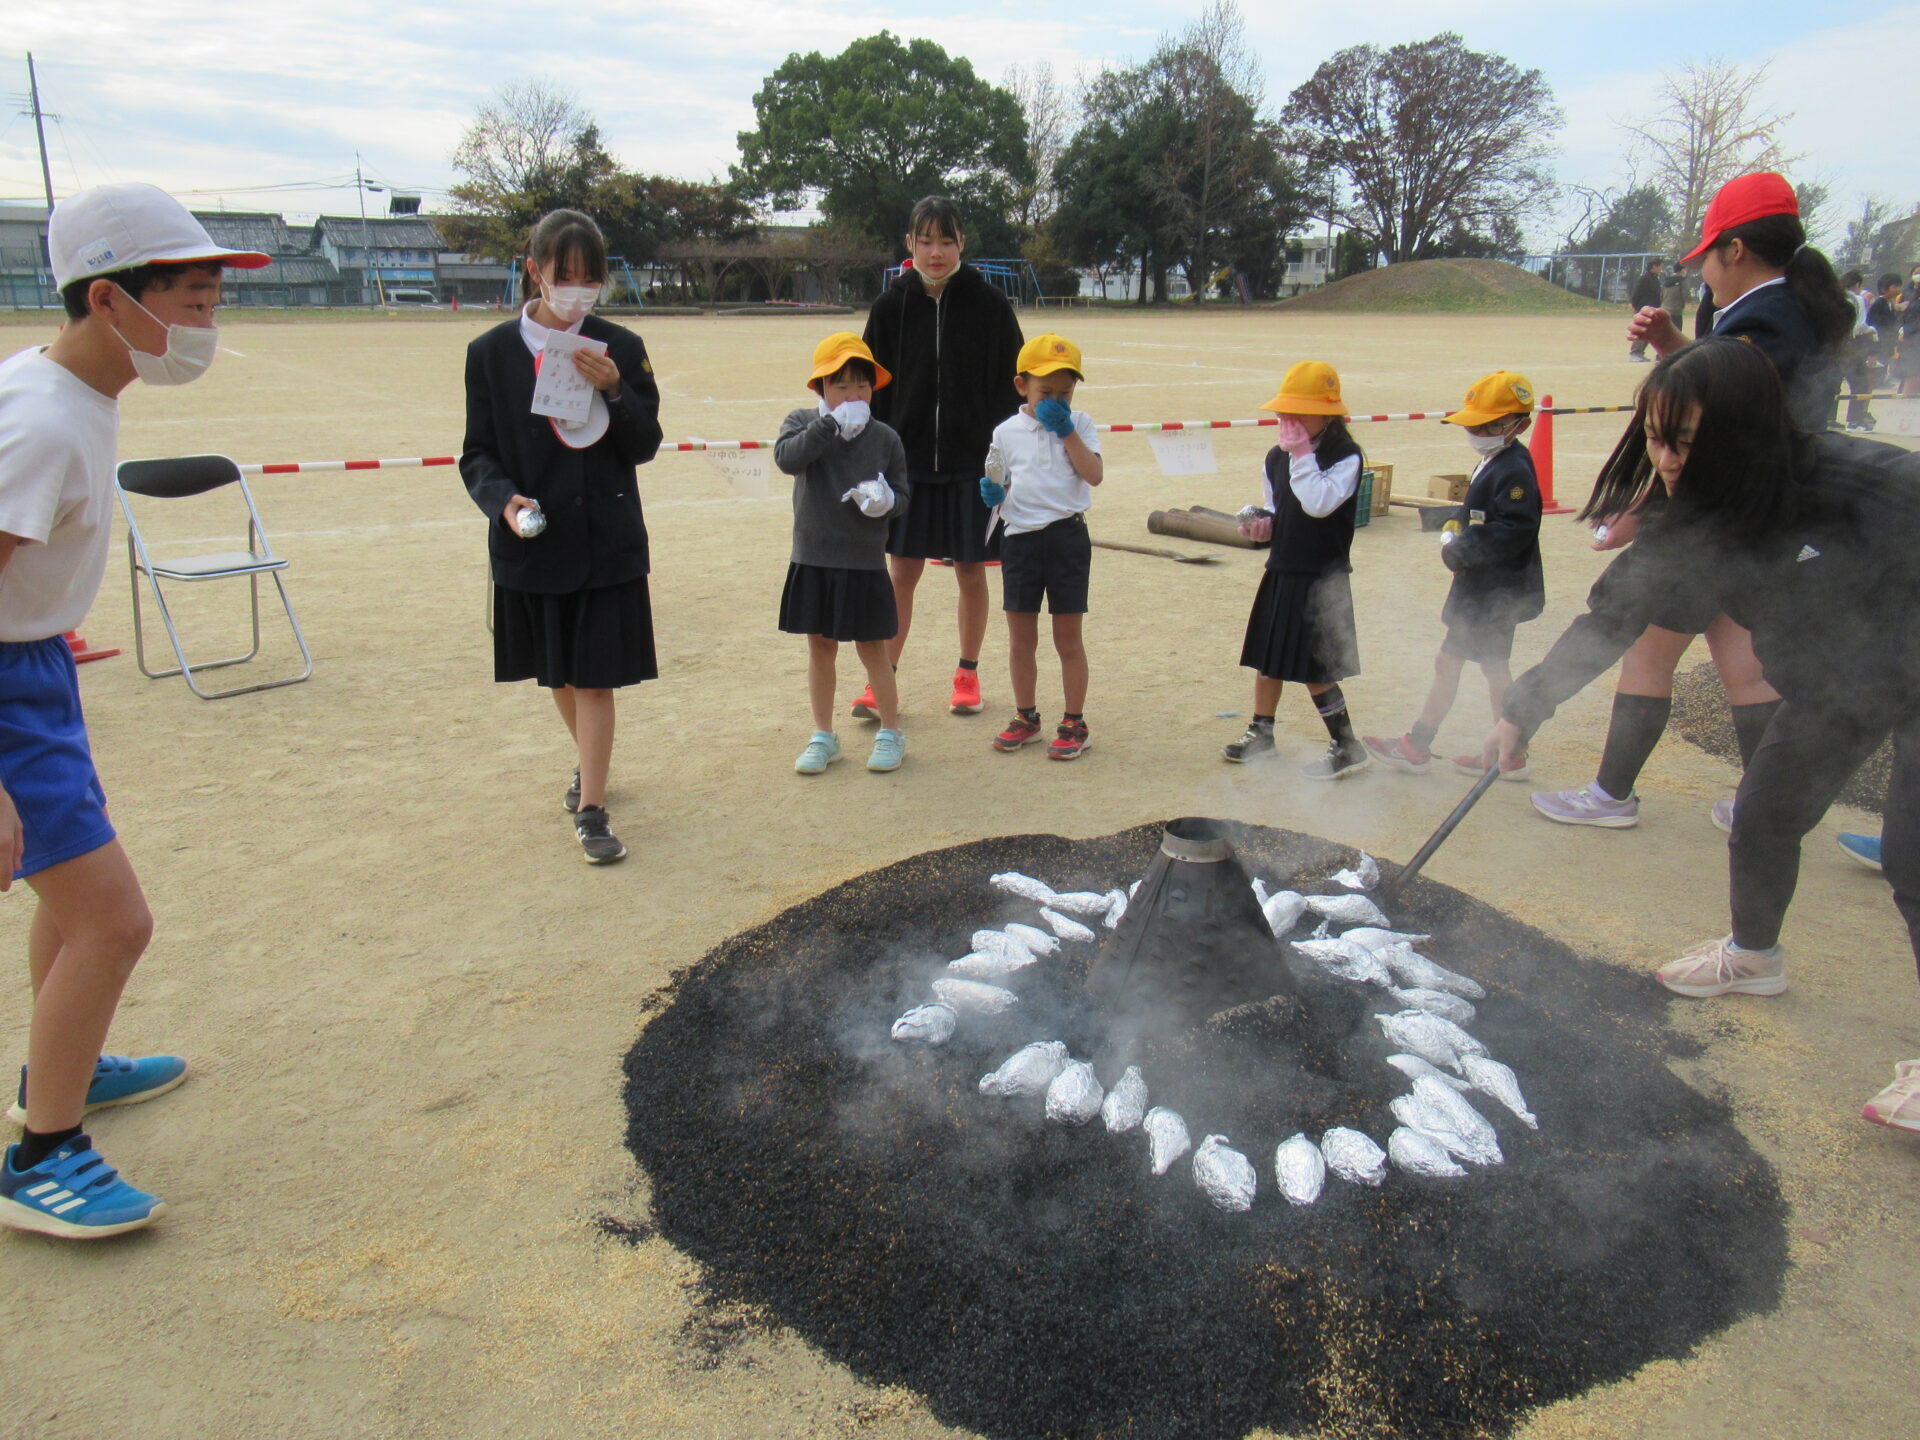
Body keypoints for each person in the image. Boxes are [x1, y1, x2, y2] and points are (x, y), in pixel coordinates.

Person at [1483, 338, 1920, 1132]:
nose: (1667, 459)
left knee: (1915, 855)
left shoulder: (1859, 480)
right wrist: (1525, 705)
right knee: (1765, 812)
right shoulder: (1699, 525)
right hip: (1841, 684)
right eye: (1655, 436)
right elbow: (1612, 617)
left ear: (1741, 432)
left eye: (1683, 440)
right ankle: (1754, 957)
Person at [0, 184, 271, 1238]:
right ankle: (43, 1156)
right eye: (192, 302)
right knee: (117, 922)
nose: (205, 326)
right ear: (109, 300)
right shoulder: (39, 423)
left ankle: (56, 1072)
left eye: (213, 303)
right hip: (9, 689)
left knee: (70, 912)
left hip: (36, 673)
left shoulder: (65, 389)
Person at [1532, 171, 1852, 831]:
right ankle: (1765, 804)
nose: (1702, 272)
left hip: (1719, 519)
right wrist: (1676, 348)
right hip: (1766, 519)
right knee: (1743, 660)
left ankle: (1610, 796)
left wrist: (1643, 508)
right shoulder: (1792, 310)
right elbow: (1742, 390)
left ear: (1734, 250)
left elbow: (1714, 432)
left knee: (1649, 648)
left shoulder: (1763, 318)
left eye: (1705, 256)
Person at [460, 209, 663, 864]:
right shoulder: (490, 353)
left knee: (596, 675)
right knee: (560, 673)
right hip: (534, 540)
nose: (577, 289)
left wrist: (618, 393)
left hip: (607, 537)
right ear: (534, 272)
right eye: (563, 274)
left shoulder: (621, 347)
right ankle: (590, 764)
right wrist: (503, 502)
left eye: (590, 277)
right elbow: (477, 454)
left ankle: (593, 806)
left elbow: (646, 444)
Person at [861, 196, 1024, 722]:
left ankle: (968, 672)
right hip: (904, 462)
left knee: (971, 570)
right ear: (909, 244)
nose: (936, 251)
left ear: (962, 243)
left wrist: (1003, 462)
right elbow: (869, 389)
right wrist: (871, 456)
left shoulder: (991, 305)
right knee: (900, 571)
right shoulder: (890, 307)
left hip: (971, 464)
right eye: (925, 240)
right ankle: (882, 679)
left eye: (946, 240)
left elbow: (1014, 385)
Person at [1364, 372, 1543, 778]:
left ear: (1520, 424)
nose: (1478, 431)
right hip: (1485, 589)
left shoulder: (1514, 469)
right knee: (1488, 665)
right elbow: (1482, 513)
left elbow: (1515, 529)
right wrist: (1450, 522)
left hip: (1490, 591)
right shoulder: (1498, 458)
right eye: (1474, 424)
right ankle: (1508, 752)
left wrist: (1460, 548)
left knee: (1456, 663)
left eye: (1490, 425)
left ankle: (1421, 744)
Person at [1221, 361, 1371, 779]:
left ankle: (1346, 744)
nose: (1290, 422)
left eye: (1301, 412)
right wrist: (1262, 527)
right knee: (1268, 659)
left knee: (1316, 669)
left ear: (1330, 414)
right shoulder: (1276, 457)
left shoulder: (1346, 457)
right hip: (1283, 568)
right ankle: (1261, 732)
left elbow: (1318, 503)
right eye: (1285, 412)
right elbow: (1280, 507)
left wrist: (1302, 455)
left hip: (1322, 578)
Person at [773, 334, 910, 775]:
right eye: (842, 386)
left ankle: (890, 732)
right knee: (820, 646)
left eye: (862, 387)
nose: (854, 396)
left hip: (864, 559)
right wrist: (828, 425)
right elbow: (788, 459)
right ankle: (822, 735)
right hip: (814, 556)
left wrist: (886, 500)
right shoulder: (801, 422)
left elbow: (904, 494)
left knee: (873, 648)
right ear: (821, 389)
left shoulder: (885, 437)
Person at [980, 333, 1103, 760]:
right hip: (1019, 541)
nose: (1056, 400)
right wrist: (994, 495)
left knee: (1068, 639)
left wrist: (1067, 430)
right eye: (1045, 392)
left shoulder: (1081, 424)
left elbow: (1094, 474)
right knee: (1020, 640)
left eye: (1065, 393)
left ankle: (1074, 721)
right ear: (1021, 387)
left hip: (1068, 538)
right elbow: (999, 480)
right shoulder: (1005, 432)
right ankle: (1026, 716)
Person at [1840, 269, 1880, 431]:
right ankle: (1855, 421)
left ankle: (1829, 419)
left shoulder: (1834, 297)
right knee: (1860, 383)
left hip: (1832, 346)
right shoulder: (1856, 299)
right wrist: (1873, 330)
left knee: (1832, 383)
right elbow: (1859, 327)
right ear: (1857, 284)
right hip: (1851, 346)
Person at [1628, 259, 1666, 360]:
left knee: (1650, 332)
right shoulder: (1644, 278)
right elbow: (1636, 293)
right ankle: (1635, 353)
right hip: (1643, 308)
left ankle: (1645, 353)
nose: (1661, 268)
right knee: (1642, 330)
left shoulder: (1655, 279)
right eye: (1660, 266)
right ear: (1654, 266)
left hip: (1653, 309)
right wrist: (1636, 306)